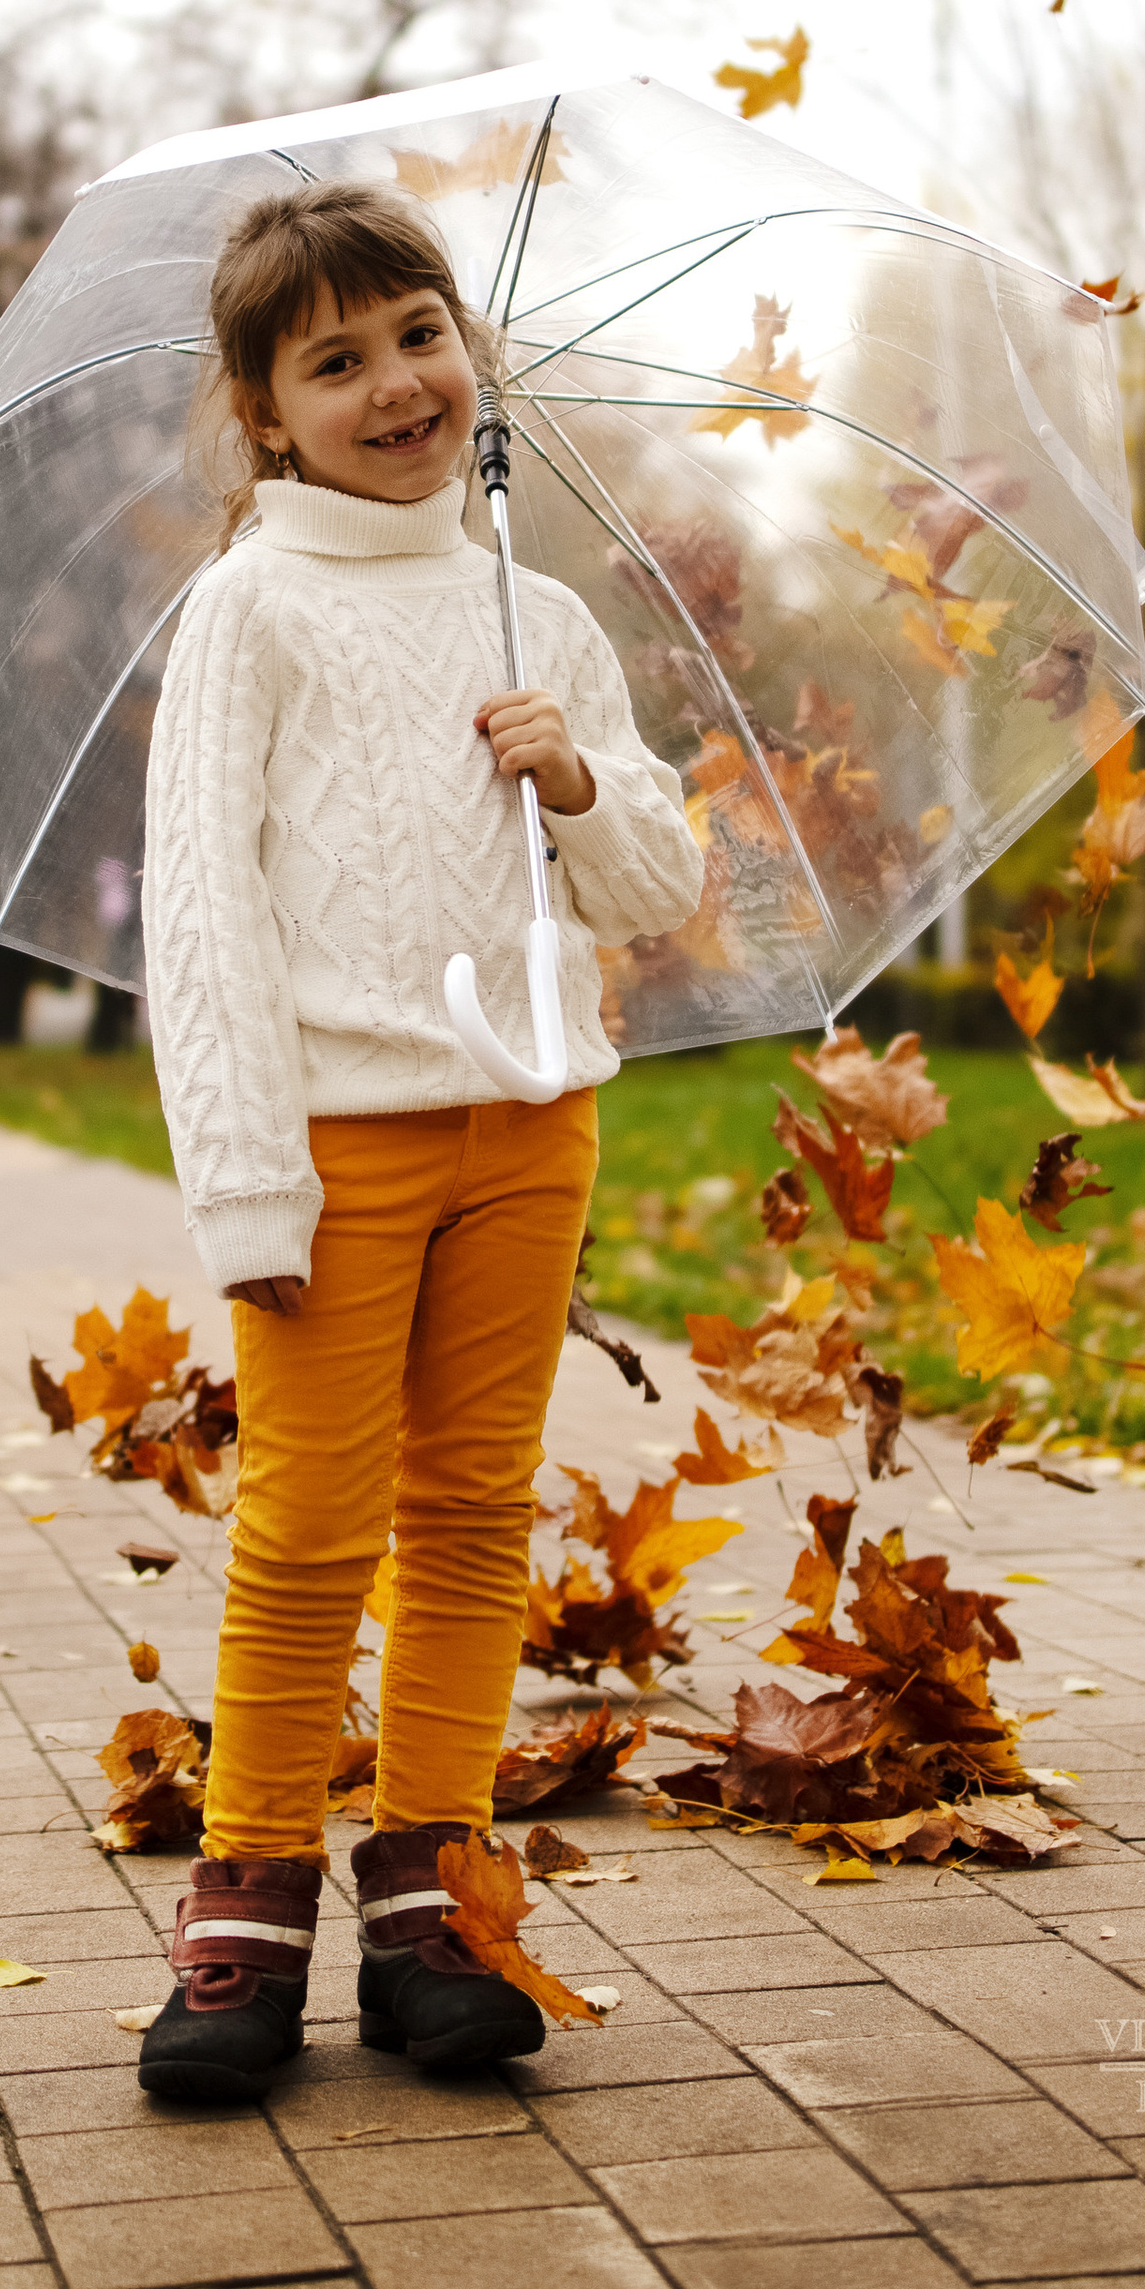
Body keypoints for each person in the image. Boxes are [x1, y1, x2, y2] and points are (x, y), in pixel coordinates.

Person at [135, 181, 703, 2105]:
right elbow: (202, 914)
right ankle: (249, 1901)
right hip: (338, 1142)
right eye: (337, 360)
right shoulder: (249, 611)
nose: (396, 384)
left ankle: (433, 1891)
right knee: (307, 1528)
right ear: (266, 412)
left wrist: (582, 774)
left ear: (473, 351)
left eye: (420, 336)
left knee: (471, 1511)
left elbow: (643, 884)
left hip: (529, 1124)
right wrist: (245, 1180)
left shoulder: (533, 609)